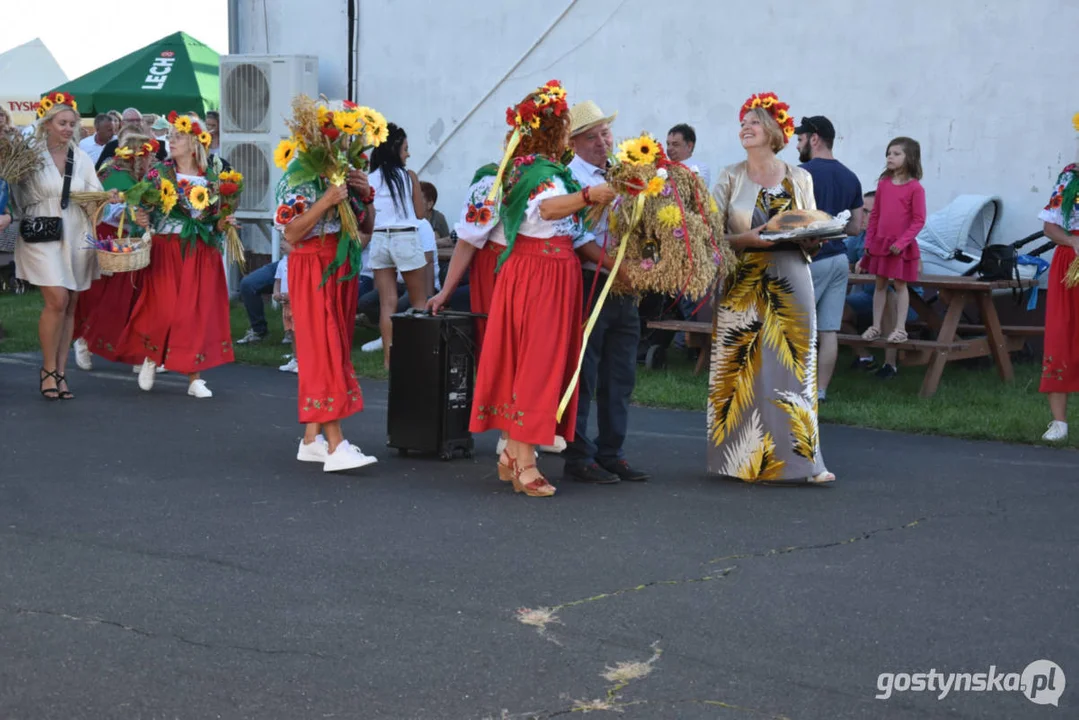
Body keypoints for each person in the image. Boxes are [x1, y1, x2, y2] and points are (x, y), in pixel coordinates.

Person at [470, 80, 612, 497]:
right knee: (537, 364)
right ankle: (524, 460)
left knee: (533, 363)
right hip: (542, 271)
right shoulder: (541, 172)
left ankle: (514, 454)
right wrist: (590, 194)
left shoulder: (527, 166)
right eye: (565, 124)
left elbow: (562, 219)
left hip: (542, 269)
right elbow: (548, 209)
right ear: (553, 129)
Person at [708, 91, 834, 485]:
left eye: (754, 121)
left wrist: (815, 236)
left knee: (793, 365)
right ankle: (739, 459)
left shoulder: (800, 176)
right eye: (743, 122)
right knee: (741, 366)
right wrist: (752, 239)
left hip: (791, 273)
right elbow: (711, 236)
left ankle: (805, 461)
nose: (745, 127)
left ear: (774, 130)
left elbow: (811, 225)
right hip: (742, 277)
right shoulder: (729, 175)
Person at [273, 145, 379, 472]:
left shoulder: (342, 174)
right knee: (323, 347)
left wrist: (366, 196)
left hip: (339, 262)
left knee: (334, 345)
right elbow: (290, 231)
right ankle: (335, 445)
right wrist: (327, 200)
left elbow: (366, 229)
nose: (345, 147)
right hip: (313, 264)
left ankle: (311, 441)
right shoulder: (299, 178)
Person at [561, 100, 651, 484]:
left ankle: (611, 451)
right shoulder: (570, 178)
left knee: (621, 372)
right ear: (575, 142)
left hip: (622, 281)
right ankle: (579, 456)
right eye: (593, 136)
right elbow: (578, 238)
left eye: (605, 133)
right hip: (590, 281)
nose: (603, 141)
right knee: (585, 372)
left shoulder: (622, 172)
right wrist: (620, 270)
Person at [117, 112, 235, 398]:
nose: (171, 141)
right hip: (167, 247)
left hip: (200, 249)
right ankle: (150, 355)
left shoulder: (213, 174)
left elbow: (219, 213)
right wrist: (142, 217)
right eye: (169, 136)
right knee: (163, 308)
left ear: (195, 143)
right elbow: (139, 208)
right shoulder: (158, 174)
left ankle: (194, 376)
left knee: (193, 313)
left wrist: (223, 222)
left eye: (178, 137)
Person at [11, 92, 110, 400]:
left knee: (70, 305)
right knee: (56, 299)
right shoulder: (28, 155)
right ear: (47, 124)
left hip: (77, 232)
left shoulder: (80, 158)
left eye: (72, 123)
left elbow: (96, 194)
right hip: (41, 231)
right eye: (62, 123)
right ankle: (47, 369)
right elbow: (11, 191)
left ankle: (61, 373)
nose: (68, 128)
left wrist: (106, 200)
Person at [794, 115, 863, 402]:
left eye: (800, 139)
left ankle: (796, 388)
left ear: (814, 138)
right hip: (839, 259)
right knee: (829, 329)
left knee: (798, 328)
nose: (798, 144)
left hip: (810, 259)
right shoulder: (850, 176)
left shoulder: (801, 174)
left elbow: (789, 221)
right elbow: (856, 227)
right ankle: (820, 391)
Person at [74, 135, 156, 372]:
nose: (149, 159)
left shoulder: (149, 177)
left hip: (136, 241)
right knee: (104, 297)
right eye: (145, 154)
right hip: (111, 238)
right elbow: (103, 206)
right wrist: (127, 210)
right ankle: (85, 339)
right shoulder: (112, 172)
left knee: (134, 297)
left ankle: (135, 352)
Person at [367, 123, 427, 369]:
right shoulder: (409, 176)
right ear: (395, 148)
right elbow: (421, 214)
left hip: (380, 238)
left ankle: (389, 362)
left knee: (387, 303)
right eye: (405, 149)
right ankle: (422, 358)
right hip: (405, 237)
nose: (408, 154)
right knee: (420, 303)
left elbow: (369, 218)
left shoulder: (369, 178)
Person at [858, 137, 926, 348]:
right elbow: (876, 215)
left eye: (896, 154)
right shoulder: (883, 185)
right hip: (880, 244)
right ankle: (876, 325)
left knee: (899, 285)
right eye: (889, 153)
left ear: (910, 158)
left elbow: (918, 220)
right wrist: (869, 242)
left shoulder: (915, 188)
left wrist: (903, 242)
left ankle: (900, 328)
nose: (890, 157)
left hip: (900, 247)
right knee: (879, 284)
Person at [1037, 154, 1079, 442]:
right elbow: (1049, 228)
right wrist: (1073, 240)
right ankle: (1059, 423)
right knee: (1061, 333)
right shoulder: (1069, 178)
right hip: (1070, 263)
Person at [665, 123, 711, 189]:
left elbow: (696, 192)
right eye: (668, 144)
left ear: (689, 146)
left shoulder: (701, 168)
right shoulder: (663, 167)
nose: (669, 148)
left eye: (675, 144)